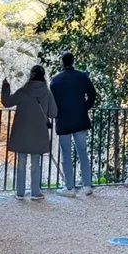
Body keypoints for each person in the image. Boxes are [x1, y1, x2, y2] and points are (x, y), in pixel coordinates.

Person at [1, 64, 57, 201]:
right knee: (36, 163)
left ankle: (20, 193)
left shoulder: (23, 91)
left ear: (31, 75)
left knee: (21, 162)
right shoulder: (47, 93)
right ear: (43, 76)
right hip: (39, 133)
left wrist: (5, 88)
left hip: (22, 132)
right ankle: (35, 193)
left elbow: (7, 102)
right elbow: (53, 113)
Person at [50, 51, 97, 197]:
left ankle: (69, 187)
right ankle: (87, 185)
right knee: (83, 152)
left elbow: (52, 101)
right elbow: (92, 94)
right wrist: (84, 107)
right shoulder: (82, 77)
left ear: (62, 62)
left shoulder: (55, 80)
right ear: (73, 61)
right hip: (80, 119)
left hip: (63, 120)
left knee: (66, 154)